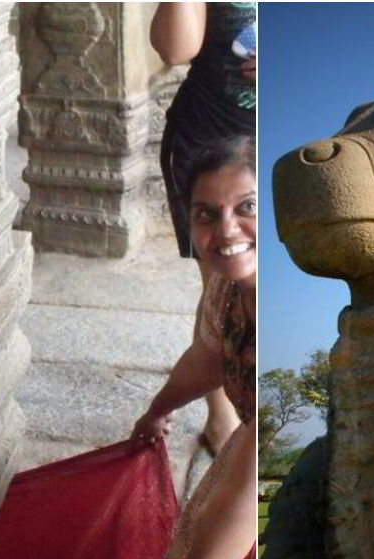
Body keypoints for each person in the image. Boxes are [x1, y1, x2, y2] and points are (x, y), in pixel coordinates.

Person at [111, 134, 257, 559]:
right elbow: (209, 356)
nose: (225, 231)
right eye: (207, 214)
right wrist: (157, 411)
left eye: (246, 209)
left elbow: (247, 486)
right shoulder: (225, 284)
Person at [150, 2, 256, 460]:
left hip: (290, 119)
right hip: (211, 142)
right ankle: (222, 417)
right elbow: (176, 48)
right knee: (222, 280)